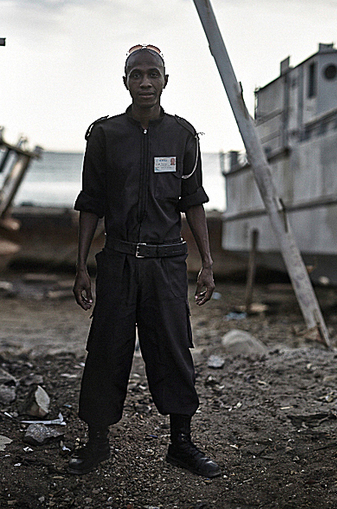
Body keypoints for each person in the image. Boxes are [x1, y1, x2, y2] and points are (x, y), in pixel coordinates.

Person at [69, 44, 220, 478]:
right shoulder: (104, 135)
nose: (146, 82)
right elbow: (91, 203)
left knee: (174, 350)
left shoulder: (183, 135)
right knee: (105, 350)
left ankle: (182, 444)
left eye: (154, 74)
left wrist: (206, 262)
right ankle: (96, 444)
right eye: (137, 75)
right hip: (117, 262)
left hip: (167, 264)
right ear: (126, 82)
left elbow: (193, 203)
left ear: (166, 81)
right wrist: (82, 267)